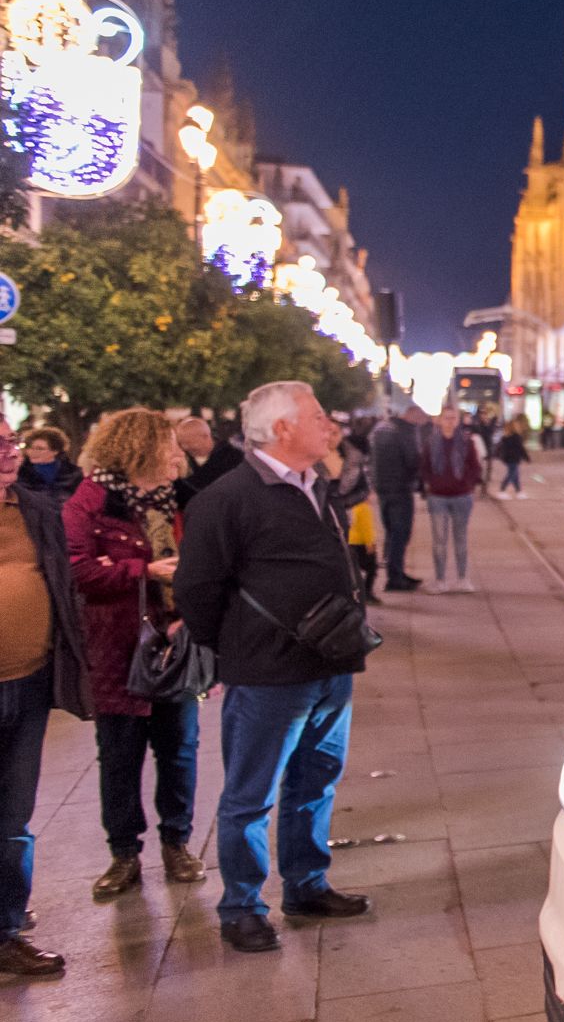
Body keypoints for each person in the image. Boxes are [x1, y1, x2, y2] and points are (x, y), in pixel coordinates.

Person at [176, 382, 375, 954]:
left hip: (332, 663)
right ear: (282, 428)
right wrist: (237, 649)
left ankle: (307, 885)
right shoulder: (228, 497)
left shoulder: (319, 487)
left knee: (316, 780)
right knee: (250, 794)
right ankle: (241, 905)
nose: (329, 424)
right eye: (316, 416)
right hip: (267, 672)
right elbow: (197, 589)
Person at [66, 409, 206, 901]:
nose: (178, 454)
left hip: (177, 644)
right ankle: (124, 853)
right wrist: (144, 571)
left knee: (180, 749)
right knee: (120, 754)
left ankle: (177, 843)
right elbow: (78, 572)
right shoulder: (91, 501)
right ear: (139, 449)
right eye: (169, 445)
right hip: (117, 648)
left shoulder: (184, 502)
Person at [0, 417, 93, 977]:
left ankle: (7, 928)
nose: (10, 452)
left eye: (9, 441)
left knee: (13, 814)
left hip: (29, 681)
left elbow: (62, 582)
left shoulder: (34, 508)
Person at [420, 404, 484, 593]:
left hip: (461, 496)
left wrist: (468, 484)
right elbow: (424, 466)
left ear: (458, 421)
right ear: (439, 420)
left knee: (461, 538)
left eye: (453, 418)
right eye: (446, 418)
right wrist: (431, 483)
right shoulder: (431, 442)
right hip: (438, 497)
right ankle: (440, 580)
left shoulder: (466, 442)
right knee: (439, 540)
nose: (449, 422)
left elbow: (475, 467)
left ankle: (462, 578)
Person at [368, 404, 427, 592]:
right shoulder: (405, 432)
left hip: (383, 488)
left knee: (391, 532)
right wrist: (419, 479)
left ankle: (397, 572)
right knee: (401, 533)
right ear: (413, 416)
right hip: (400, 488)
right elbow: (412, 460)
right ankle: (395, 577)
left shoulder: (381, 429)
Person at [326, 418, 378, 602]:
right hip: (324, 528)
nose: (330, 437)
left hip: (353, 523)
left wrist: (342, 503)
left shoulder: (353, 459)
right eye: (327, 432)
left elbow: (364, 489)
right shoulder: (311, 463)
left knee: (357, 569)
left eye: (335, 433)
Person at [173, 415, 245, 502]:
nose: (185, 447)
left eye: (189, 442)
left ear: (205, 436)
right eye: (181, 443)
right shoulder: (181, 460)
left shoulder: (233, 457)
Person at [20, 426, 79, 497]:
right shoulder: (21, 473)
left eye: (39, 449)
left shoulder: (73, 474)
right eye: (30, 448)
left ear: (55, 451)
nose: (33, 452)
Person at [494, 416, 531, 497]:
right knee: (511, 474)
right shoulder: (516, 437)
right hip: (514, 458)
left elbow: (503, 448)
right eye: (517, 425)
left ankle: (518, 491)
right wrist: (527, 458)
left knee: (515, 475)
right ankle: (502, 490)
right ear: (514, 427)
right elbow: (521, 449)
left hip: (507, 459)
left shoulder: (506, 437)